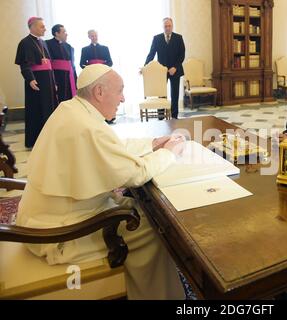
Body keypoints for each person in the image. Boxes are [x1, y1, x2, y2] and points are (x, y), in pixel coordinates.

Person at [16, 64, 187, 300]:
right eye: (120, 91)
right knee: (154, 227)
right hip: (59, 234)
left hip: (45, 217)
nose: (123, 98)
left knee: (137, 206)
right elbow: (136, 174)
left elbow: (112, 148)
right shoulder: (86, 126)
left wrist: (153, 143)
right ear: (99, 92)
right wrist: (170, 153)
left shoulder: (72, 109)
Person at [15, 17, 59, 149]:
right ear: (32, 27)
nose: (45, 29)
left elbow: (49, 64)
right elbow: (24, 64)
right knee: (37, 110)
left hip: (48, 81)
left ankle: (49, 137)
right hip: (37, 81)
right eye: (42, 26)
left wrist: (54, 81)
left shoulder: (43, 42)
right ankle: (35, 140)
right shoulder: (25, 42)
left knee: (49, 108)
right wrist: (30, 79)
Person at [144, 17, 185, 119]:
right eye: (165, 26)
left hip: (175, 70)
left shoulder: (179, 38)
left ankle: (174, 116)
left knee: (174, 94)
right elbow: (151, 54)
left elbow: (182, 55)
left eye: (169, 26)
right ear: (163, 27)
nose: (167, 28)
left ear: (172, 26)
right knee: (161, 94)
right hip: (161, 71)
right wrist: (145, 67)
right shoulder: (157, 38)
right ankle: (161, 116)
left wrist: (175, 67)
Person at [46, 24, 77, 102]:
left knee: (69, 99)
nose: (66, 34)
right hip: (56, 78)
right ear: (57, 33)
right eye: (64, 32)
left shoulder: (69, 47)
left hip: (69, 78)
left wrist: (75, 78)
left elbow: (72, 65)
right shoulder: (47, 44)